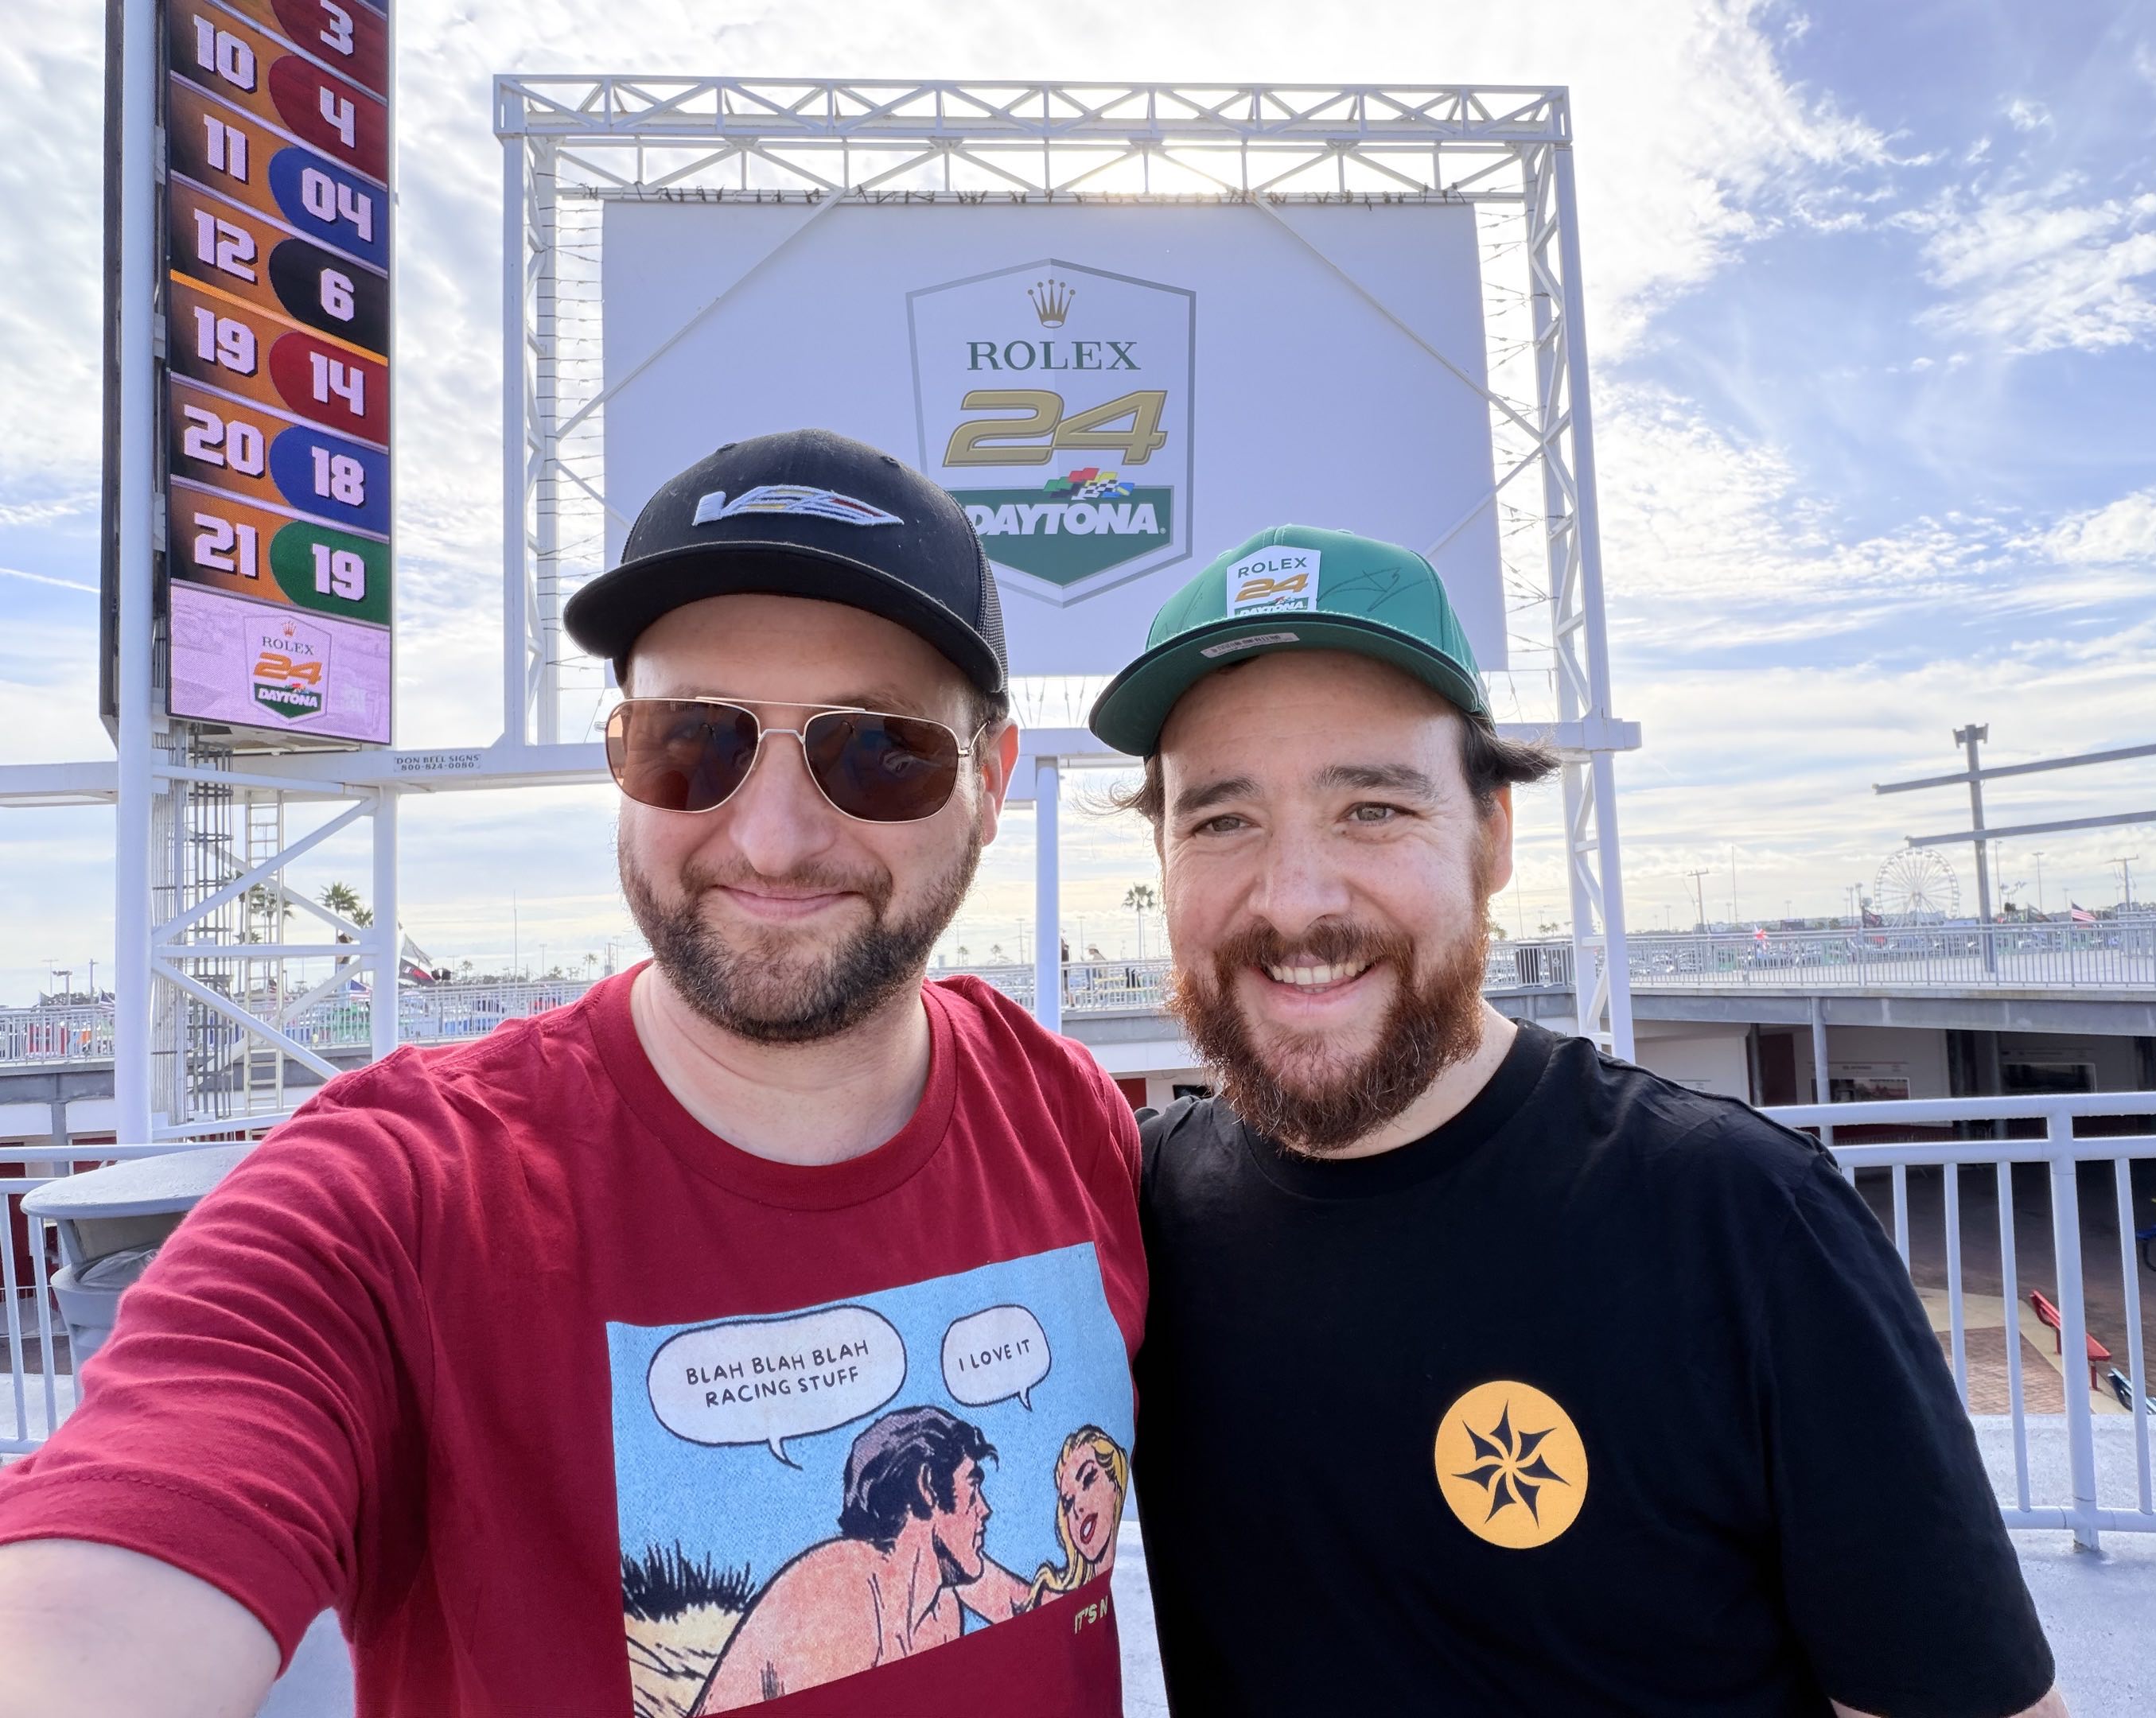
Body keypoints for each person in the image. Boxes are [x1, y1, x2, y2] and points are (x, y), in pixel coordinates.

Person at [0, 430, 1146, 1717]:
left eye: (878, 750)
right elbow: (116, 1572)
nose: (770, 838)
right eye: (693, 741)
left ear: (990, 783)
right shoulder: (400, 1200)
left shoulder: (1066, 1118)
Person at [1089, 524, 2064, 1718]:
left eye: (1374, 810)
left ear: (1493, 834)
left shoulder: (1746, 1226)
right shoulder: (1137, 1209)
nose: (1294, 900)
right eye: (1222, 821)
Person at [696, 1407, 1032, 1711]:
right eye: (973, 1488)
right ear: (928, 1486)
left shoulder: (940, 1616)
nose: (985, 1510)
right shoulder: (840, 1597)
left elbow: (1022, 1603)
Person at [1025, 1425, 1129, 1608]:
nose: (1077, 1508)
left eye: (1088, 1479)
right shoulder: (1052, 1597)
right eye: (1067, 1502)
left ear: (1115, 1481)